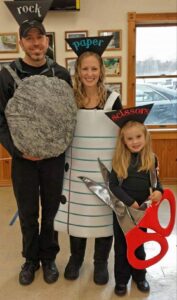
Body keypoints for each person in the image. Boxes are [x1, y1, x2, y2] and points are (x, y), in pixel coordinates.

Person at [0, 0, 76, 286]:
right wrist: (19, 151)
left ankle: (49, 258)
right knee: (29, 212)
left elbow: (68, 116)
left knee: (52, 210)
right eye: (29, 38)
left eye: (39, 37)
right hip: (24, 161)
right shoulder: (6, 77)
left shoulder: (61, 74)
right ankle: (30, 259)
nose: (35, 43)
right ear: (21, 43)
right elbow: (0, 122)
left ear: (46, 40)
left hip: (54, 158)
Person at [54, 36, 122, 285]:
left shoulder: (114, 100)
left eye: (94, 68)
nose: (89, 73)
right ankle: (76, 258)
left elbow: (124, 134)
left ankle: (101, 262)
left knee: (104, 215)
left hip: (104, 169)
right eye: (85, 68)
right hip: (74, 169)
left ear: (101, 71)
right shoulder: (70, 99)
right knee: (79, 214)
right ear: (77, 71)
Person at [107, 105, 163, 296]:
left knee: (139, 243)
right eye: (130, 138)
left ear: (145, 137)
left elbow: (156, 182)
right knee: (122, 246)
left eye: (138, 137)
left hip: (142, 212)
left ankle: (140, 276)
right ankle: (122, 280)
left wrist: (159, 192)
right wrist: (129, 202)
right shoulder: (119, 160)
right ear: (123, 141)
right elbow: (113, 186)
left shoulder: (151, 159)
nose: (135, 141)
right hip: (123, 211)